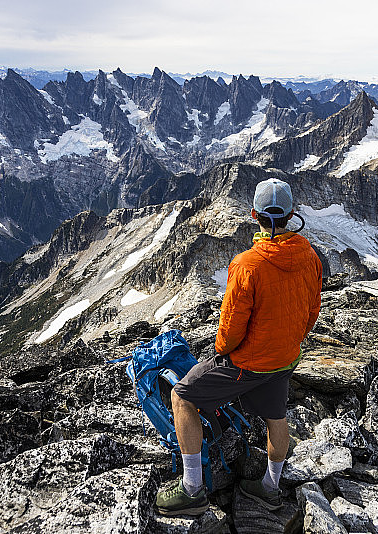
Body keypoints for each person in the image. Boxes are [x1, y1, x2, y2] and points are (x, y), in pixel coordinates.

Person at [155, 178, 323, 516]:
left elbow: (230, 331)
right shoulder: (310, 256)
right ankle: (269, 489)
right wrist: (290, 342)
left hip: (248, 363)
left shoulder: (247, 264)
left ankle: (192, 491)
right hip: (286, 358)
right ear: (291, 216)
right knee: (277, 417)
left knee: (182, 396)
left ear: (253, 215)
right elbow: (311, 311)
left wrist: (220, 352)